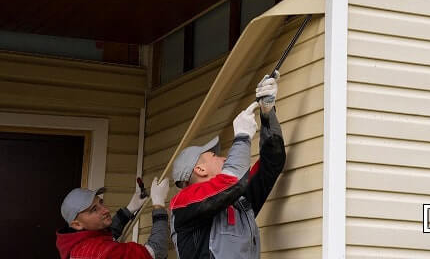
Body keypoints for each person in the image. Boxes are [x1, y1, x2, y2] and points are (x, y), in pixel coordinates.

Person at [170, 72, 285, 259]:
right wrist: (242, 137)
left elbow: (272, 162)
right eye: (214, 155)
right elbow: (232, 181)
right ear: (200, 169)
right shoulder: (183, 202)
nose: (224, 158)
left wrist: (267, 113)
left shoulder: (238, 201)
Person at [56, 177, 170, 259]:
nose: (105, 210)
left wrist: (129, 209)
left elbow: (108, 233)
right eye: (94, 209)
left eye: (101, 202)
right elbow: (156, 251)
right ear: (77, 224)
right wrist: (158, 204)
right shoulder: (100, 253)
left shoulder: (78, 245)